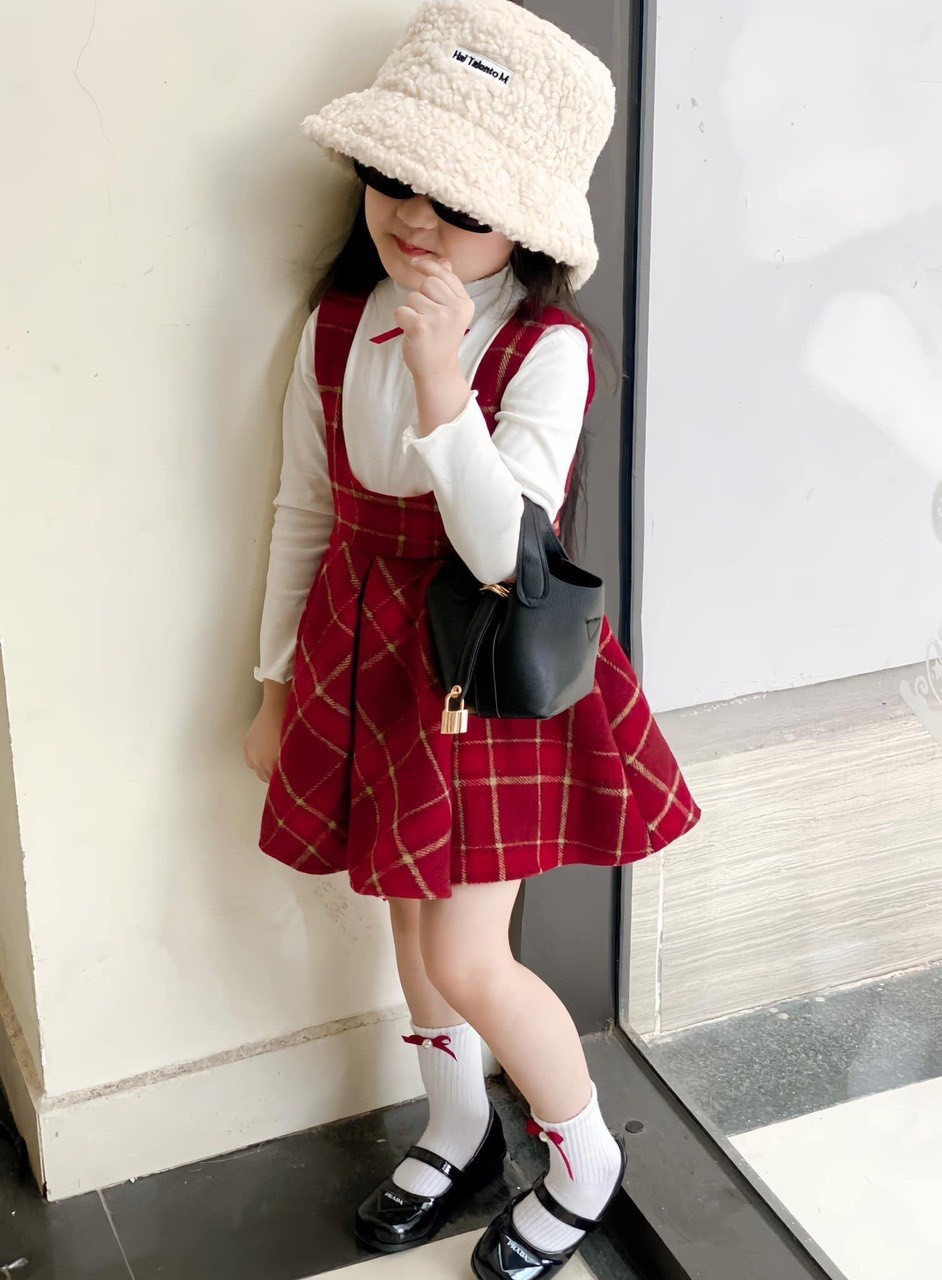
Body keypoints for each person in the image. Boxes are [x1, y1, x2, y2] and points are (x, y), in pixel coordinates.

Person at [243, 2, 702, 1276]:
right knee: (405, 917)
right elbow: (306, 506)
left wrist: (445, 377)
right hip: (364, 648)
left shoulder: (548, 348)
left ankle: (586, 1158)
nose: (417, 216)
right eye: (397, 176)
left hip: (478, 669)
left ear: (526, 222)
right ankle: (458, 1125)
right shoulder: (338, 325)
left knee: (463, 943)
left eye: (461, 199)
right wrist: (274, 681)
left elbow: (505, 550)